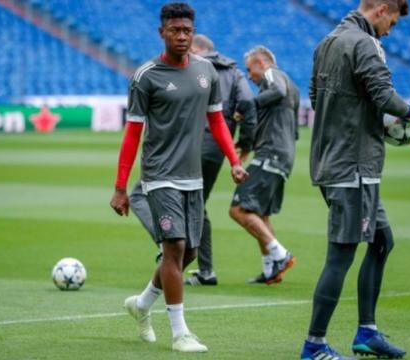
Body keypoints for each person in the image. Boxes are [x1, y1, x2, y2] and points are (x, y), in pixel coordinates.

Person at [109, 3, 247, 353]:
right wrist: (120, 188)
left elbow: (217, 121)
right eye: (175, 30)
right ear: (162, 33)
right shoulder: (146, 76)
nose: (182, 36)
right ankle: (180, 332)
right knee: (174, 248)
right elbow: (132, 135)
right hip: (159, 175)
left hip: (193, 177)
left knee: (191, 253)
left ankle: (141, 305)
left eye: (187, 30)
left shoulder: (207, 72)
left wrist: (234, 161)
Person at [301, 1, 410, 359]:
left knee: (382, 241)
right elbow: (383, 96)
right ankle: (314, 345)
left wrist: (362, 119)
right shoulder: (365, 44)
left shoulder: (327, 42)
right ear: (382, 9)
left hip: (337, 162)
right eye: (392, 23)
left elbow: (316, 98)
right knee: (341, 254)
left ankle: (367, 332)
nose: (390, 31)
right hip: (352, 167)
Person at [128, 33, 257, 286]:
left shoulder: (195, 68)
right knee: (198, 206)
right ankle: (206, 271)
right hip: (220, 147)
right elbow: (248, 103)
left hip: (190, 145)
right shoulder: (232, 70)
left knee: (138, 194)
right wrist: (243, 146)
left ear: (196, 47)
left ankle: (167, 241)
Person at [228, 45, 299, 285]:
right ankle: (271, 269)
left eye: (250, 69)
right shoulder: (292, 86)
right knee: (260, 214)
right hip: (283, 154)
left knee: (238, 209)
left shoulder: (274, 75)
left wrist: (247, 106)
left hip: (272, 152)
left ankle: (280, 255)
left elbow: (276, 90)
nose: (249, 76)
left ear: (261, 63)